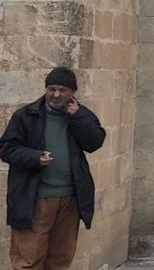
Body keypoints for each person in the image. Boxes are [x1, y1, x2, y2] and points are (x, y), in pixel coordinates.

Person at [1, 66, 106, 270]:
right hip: (35, 199)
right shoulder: (25, 115)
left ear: (72, 92)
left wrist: (79, 116)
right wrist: (34, 157)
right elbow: (6, 148)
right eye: (51, 89)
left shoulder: (80, 115)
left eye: (62, 90)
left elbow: (94, 142)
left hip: (70, 200)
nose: (56, 94)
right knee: (28, 262)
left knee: (60, 261)